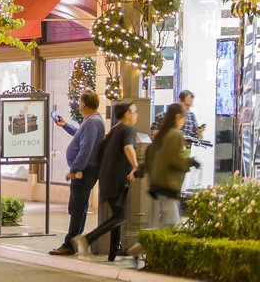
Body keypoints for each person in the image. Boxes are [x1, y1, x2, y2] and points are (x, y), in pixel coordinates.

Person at [75, 101, 140, 262]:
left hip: (106, 180)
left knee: (117, 216)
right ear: (127, 114)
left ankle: (112, 254)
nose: (136, 115)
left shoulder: (114, 130)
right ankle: (87, 239)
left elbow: (100, 153)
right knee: (120, 217)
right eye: (134, 112)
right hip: (119, 180)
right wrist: (136, 167)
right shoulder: (127, 129)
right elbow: (128, 148)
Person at [49, 90, 106, 257]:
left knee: (77, 207)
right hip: (87, 170)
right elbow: (81, 137)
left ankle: (68, 245)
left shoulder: (91, 122)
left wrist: (74, 170)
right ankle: (74, 242)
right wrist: (66, 125)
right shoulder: (94, 120)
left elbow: (85, 149)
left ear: (84, 104)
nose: (78, 105)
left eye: (80, 101)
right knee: (79, 207)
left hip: (84, 171)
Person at [147, 102, 200, 231]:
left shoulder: (161, 134)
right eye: (184, 117)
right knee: (170, 226)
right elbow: (175, 160)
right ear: (177, 117)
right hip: (168, 184)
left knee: (168, 224)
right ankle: (139, 245)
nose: (184, 120)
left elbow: (151, 156)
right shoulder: (175, 135)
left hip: (158, 183)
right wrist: (191, 162)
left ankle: (141, 244)